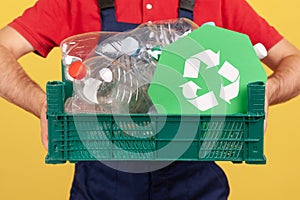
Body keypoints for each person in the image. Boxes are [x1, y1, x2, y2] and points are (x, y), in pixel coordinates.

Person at [1, 0, 300, 199]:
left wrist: (265, 93)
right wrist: (42, 103)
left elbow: (293, 61)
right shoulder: (76, 2)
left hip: (196, 186)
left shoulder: (217, 2)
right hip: (102, 187)